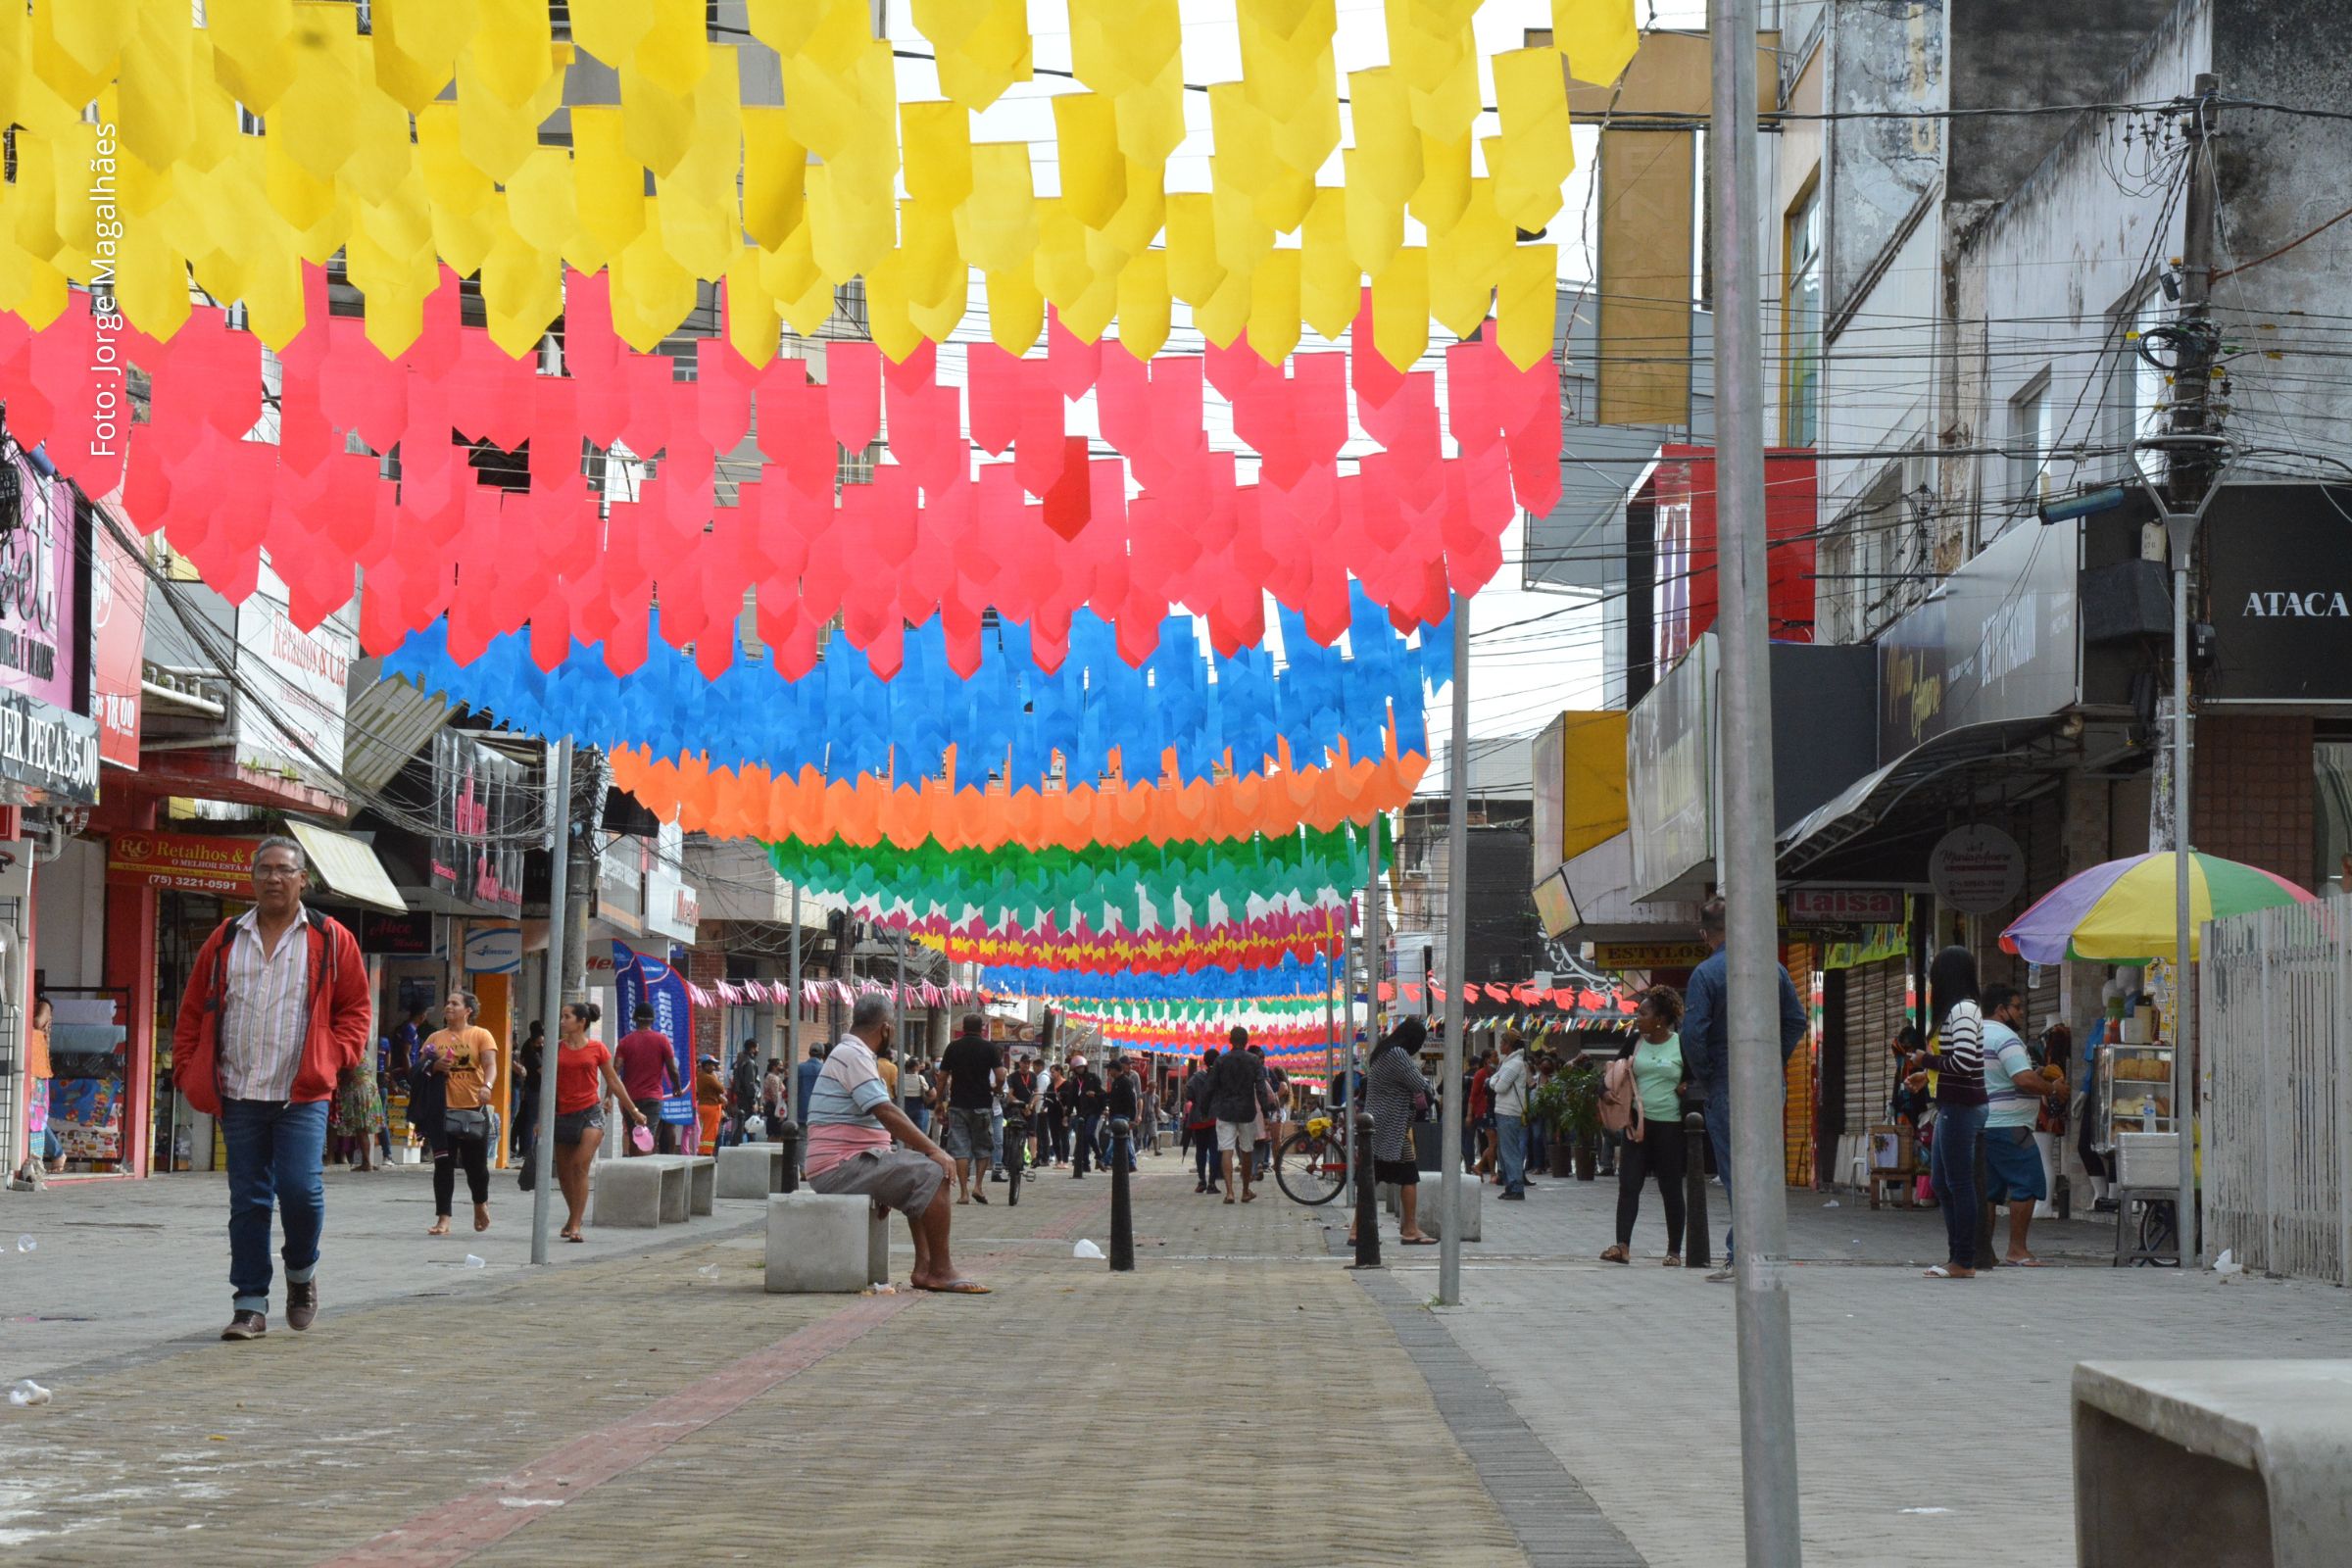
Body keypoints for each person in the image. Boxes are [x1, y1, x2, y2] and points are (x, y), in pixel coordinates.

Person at [172, 837, 371, 1341]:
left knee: (301, 1191)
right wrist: (186, 1066)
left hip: (302, 1092)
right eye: (265, 869)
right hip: (238, 1091)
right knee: (249, 1201)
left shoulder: (331, 938)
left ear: (304, 879)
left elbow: (356, 1012)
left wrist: (334, 1056)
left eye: (285, 870)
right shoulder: (224, 939)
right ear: (252, 877)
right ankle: (249, 1304)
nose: (274, 878)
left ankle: (301, 1274)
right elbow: (193, 1011)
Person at [804, 996, 985, 1294]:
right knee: (934, 1171)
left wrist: (885, 1172)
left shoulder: (851, 1053)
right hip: (839, 1166)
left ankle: (924, 1269)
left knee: (917, 1176)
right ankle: (941, 1270)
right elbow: (885, 1111)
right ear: (886, 1029)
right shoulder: (853, 1055)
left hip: (851, 1160)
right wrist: (933, 1149)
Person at [1677, 897, 1810, 1281]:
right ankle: (1763, 1252)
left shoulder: (1705, 974)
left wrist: (1710, 1071)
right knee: (1765, 1168)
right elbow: (1796, 1020)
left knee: (1737, 1169)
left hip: (1727, 1080)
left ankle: (1744, 1254)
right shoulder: (1774, 968)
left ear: (1705, 934)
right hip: (1769, 1082)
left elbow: (1693, 1035)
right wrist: (1773, 1060)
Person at [1914, 946, 1988, 1281]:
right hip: (1953, 1103)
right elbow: (1959, 1061)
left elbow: (1964, 1062)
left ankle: (1964, 1259)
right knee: (1943, 1182)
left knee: (1957, 1182)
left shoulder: (1962, 1010)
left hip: (1962, 1104)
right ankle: (1957, 1255)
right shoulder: (1960, 1010)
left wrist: (1924, 1061)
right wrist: (1925, 1074)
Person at [1979, 983, 2064, 1268]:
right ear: (2001, 1010)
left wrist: (2035, 1072)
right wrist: (2052, 1089)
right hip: (2009, 1125)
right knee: (2027, 1182)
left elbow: (2007, 1073)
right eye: (2017, 1006)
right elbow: (2022, 1080)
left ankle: (1983, 1250)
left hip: (1983, 1123)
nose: (2022, 1012)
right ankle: (2017, 1250)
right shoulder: (2006, 1037)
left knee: (1989, 1190)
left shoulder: (1976, 1034)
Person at [1602, 988, 1690, 1264]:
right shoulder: (1634, 1043)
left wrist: (1686, 1087)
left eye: (1643, 1013)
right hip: (1637, 1126)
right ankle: (1622, 1246)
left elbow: (1698, 1079)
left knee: (1671, 1188)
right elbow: (1612, 1072)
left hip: (1670, 1127)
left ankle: (1674, 1251)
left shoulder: (1681, 1044)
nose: (1637, 1017)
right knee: (1629, 1185)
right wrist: (1605, 1092)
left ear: (1661, 1018)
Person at [550, 1002, 647, 1243]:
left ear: (581, 1022)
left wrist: (633, 1110)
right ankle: (574, 1215)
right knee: (563, 1174)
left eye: (567, 1016)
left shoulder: (597, 1048)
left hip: (590, 1114)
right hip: (561, 1114)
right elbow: (545, 1085)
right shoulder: (555, 1048)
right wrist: (540, 1117)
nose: (562, 1021)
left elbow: (613, 1081)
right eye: (561, 1016)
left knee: (579, 1166)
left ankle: (575, 1225)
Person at [423, 991, 499, 1239]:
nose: (448, 1007)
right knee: (443, 1165)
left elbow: (490, 1065)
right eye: (447, 1003)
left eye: (455, 1004)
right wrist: (434, 1066)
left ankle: (480, 1204)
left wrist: (487, 1086)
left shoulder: (480, 1035)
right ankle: (443, 1218)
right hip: (443, 1112)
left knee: (476, 1166)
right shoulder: (435, 1037)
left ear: (468, 1010)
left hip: (473, 1111)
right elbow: (420, 1067)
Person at [1354, 1020, 1437, 1248]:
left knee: (1372, 1175)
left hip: (1381, 1126)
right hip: (1391, 1127)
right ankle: (1409, 1229)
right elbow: (1418, 1083)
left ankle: (1358, 1229)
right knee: (1407, 1176)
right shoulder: (1398, 1054)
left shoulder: (1383, 1051)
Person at [1209, 1027, 1274, 1202]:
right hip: (1247, 1111)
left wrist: (1206, 1108)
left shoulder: (1221, 1060)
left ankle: (1229, 1192)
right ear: (1246, 1042)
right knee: (1247, 1151)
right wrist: (1266, 1113)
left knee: (1226, 1150)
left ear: (1230, 1040)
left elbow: (1211, 1086)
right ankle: (1245, 1191)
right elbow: (1260, 1088)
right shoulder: (1254, 1061)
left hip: (1225, 1111)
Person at [614, 1004, 680, 1155]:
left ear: (634, 1019)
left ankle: (635, 1172)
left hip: (630, 1099)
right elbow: (672, 1069)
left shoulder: (625, 1042)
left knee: (634, 1137)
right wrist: (677, 1087)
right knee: (646, 1138)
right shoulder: (662, 1040)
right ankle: (643, 1175)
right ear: (653, 1020)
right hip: (653, 1097)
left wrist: (608, 1096)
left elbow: (616, 1068)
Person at [10, 997, 56, 1188]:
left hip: (36, 1070)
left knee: (36, 1116)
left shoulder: (43, 1005)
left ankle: (55, 1155)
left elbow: (37, 1022)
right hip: (31, 1069)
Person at [1490, 1033, 1532, 1200]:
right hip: (1504, 1111)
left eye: (1502, 1043)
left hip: (1509, 1111)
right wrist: (1495, 1080)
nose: (1499, 1046)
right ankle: (1510, 1184)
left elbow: (1499, 1086)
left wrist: (1494, 1081)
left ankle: (1516, 1187)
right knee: (1504, 1151)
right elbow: (1495, 1079)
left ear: (1509, 1045)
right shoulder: (1508, 1063)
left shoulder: (1513, 1064)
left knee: (1510, 1151)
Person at [330, 1058, 385, 1171]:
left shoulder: (350, 1052)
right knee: (363, 1128)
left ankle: (366, 1162)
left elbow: (348, 1073)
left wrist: (338, 1083)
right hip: (369, 1087)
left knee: (361, 1128)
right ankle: (367, 1161)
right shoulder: (362, 1051)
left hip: (358, 1089)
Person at [1183, 1051, 1219, 1193]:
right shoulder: (1218, 1078)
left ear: (1204, 1061)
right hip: (1215, 1118)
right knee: (1215, 1150)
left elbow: (1189, 1094)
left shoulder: (1196, 1077)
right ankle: (1212, 1183)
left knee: (1201, 1150)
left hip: (1198, 1118)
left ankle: (1201, 1180)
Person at [1103, 1054, 1142, 1171]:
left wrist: (1133, 1117)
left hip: (1122, 1115)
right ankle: (1131, 1162)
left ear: (1115, 1069)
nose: (1109, 1072)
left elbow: (1133, 1099)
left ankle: (1106, 1160)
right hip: (1115, 1114)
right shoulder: (1115, 1082)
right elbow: (1112, 1097)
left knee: (1115, 1138)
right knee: (1125, 1139)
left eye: (1110, 1070)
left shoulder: (1127, 1081)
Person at [695, 1054, 726, 1153]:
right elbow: (721, 1089)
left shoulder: (700, 1076)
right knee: (711, 1131)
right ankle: (707, 1153)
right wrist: (715, 1077)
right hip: (711, 1107)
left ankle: (702, 1151)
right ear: (705, 1065)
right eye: (712, 1065)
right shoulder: (709, 1077)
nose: (714, 1067)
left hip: (703, 1106)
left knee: (705, 1131)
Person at [794, 1040, 827, 1130]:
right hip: (820, 1113)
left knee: (802, 1140)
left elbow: (792, 1090)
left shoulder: (799, 1068)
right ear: (822, 1054)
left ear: (809, 1053)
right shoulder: (826, 1069)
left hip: (801, 1112)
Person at [901, 1057, 933, 1136]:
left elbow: (896, 1090)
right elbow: (926, 1088)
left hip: (904, 1105)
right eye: (918, 1066)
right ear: (915, 1067)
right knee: (919, 1131)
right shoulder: (920, 1078)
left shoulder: (900, 1078)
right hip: (918, 1106)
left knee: (906, 1131)